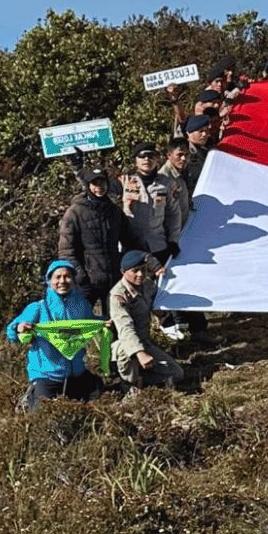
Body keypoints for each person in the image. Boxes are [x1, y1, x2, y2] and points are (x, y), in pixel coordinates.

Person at [7, 260, 106, 412]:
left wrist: (104, 323)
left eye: (67, 277)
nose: (62, 281)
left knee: (97, 402)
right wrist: (19, 328)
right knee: (41, 416)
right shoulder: (38, 308)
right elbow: (11, 332)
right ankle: (30, 397)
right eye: (57, 277)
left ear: (73, 280)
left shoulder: (82, 305)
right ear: (49, 281)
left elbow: (90, 322)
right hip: (47, 375)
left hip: (77, 373)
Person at [110, 251, 184, 389]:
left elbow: (159, 304)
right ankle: (129, 382)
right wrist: (140, 353)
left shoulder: (148, 285)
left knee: (177, 374)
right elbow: (125, 329)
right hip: (123, 344)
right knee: (124, 350)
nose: (140, 274)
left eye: (143, 270)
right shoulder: (118, 296)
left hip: (144, 342)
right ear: (123, 272)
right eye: (135, 271)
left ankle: (141, 379)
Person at [58, 163, 125, 308]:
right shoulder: (74, 212)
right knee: (81, 325)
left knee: (114, 324)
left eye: (102, 182)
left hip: (114, 280)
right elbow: (65, 251)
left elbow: (131, 240)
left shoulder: (115, 211)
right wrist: (80, 277)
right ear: (88, 185)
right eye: (95, 183)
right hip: (86, 283)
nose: (99, 186)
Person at [118, 142, 183, 266]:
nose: (146, 159)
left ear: (157, 160)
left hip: (158, 245)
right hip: (132, 246)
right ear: (135, 161)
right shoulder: (125, 181)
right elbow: (97, 186)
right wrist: (78, 168)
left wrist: (173, 241)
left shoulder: (167, 183)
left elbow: (174, 214)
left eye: (151, 156)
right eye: (142, 156)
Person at [159, 137, 192, 222]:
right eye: (180, 155)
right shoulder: (163, 178)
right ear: (169, 155)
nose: (184, 159)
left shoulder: (182, 171)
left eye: (186, 155)